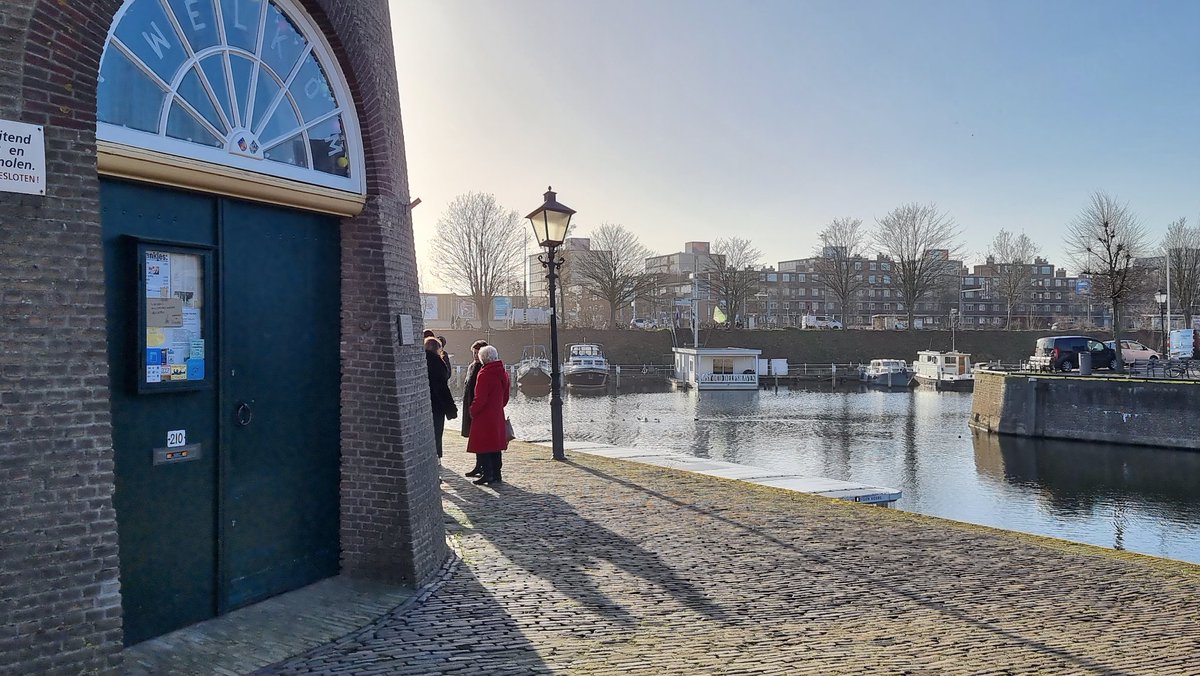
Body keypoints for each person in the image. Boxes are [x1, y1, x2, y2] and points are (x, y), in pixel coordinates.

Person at [466, 345, 509, 485]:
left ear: (483, 358)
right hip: (497, 413)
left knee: (483, 445)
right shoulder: (503, 372)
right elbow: (506, 396)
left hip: (484, 416)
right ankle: (497, 474)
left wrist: (472, 410)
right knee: (495, 446)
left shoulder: (484, 374)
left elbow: (480, 398)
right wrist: (498, 406)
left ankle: (487, 474)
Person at [461, 339, 489, 477]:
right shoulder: (472, 367)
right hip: (470, 407)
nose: (475, 355)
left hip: (478, 409)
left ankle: (485, 467)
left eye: (478, 352)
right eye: (474, 352)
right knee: (476, 440)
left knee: (483, 440)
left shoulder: (484, 368)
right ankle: (479, 465)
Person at [425, 336, 456, 458]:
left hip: (425, 404)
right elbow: (442, 388)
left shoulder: (422, 361)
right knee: (437, 431)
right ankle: (436, 456)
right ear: (437, 349)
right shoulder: (437, 363)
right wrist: (451, 409)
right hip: (436, 405)